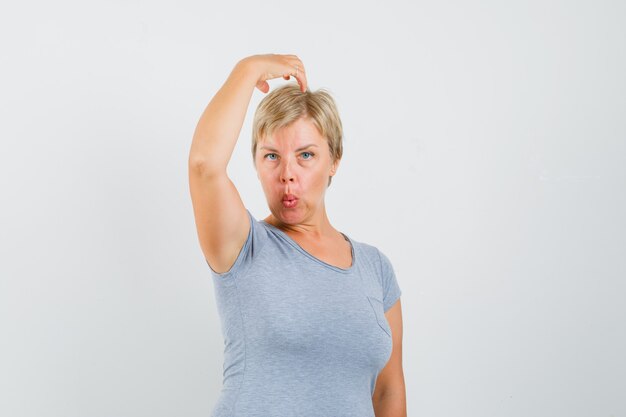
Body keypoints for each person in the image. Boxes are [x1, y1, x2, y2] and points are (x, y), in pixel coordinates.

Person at [188, 54, 406, 417]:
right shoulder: (244, 246)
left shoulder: (376, 268)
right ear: (256, 164)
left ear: (334, 160)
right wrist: (249, 70)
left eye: (305, 155)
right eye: (271, 156)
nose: (287, 173)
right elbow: (204, 165)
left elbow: (388, 390)